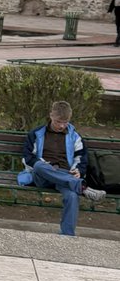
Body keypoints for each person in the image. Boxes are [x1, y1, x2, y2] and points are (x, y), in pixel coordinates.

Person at [18, 100, 106, 236]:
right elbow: (28, 158)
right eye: (59, 121)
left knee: (72, 195)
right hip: (43, 176)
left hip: (65, 176)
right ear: (51, 116)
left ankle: (67, 236)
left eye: (65, 122)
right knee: (39, 166)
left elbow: (81, 159)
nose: (62, 125)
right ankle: (82, 187)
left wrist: (78, 170)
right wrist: (45, 165)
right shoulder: (36, 133)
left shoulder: (75, 136)